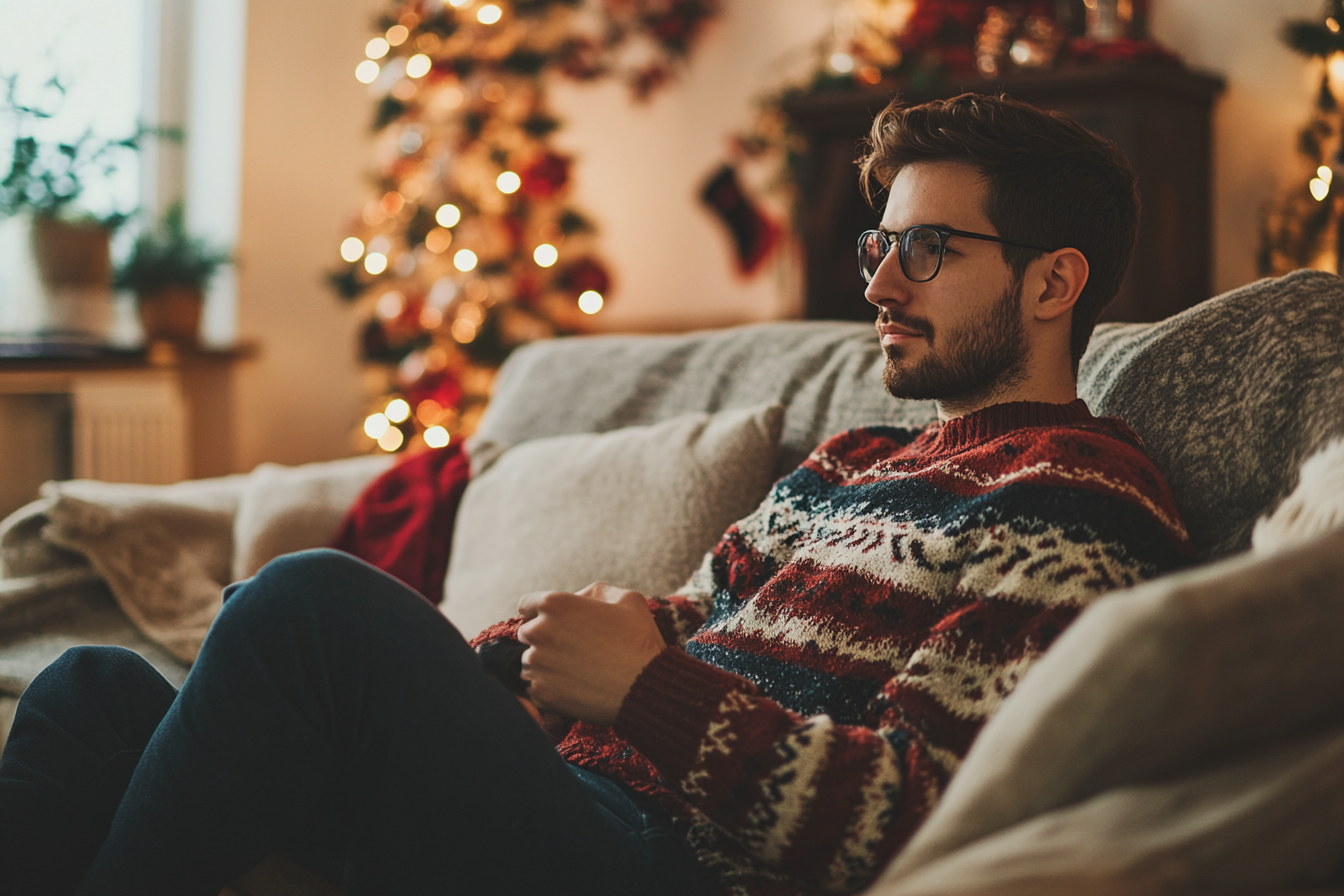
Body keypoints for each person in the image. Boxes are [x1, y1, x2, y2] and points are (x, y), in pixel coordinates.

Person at [0, 92, 1191, 896]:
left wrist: (644, 692)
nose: (880, 282)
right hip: (569, 796)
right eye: (877, 245)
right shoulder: (850, 461)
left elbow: (923, 813)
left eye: (924, 249)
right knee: (90, 686)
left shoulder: (1076, 497)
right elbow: (679, 619)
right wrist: (505, 673)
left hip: (673, 862)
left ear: (1054, 283)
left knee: (306, 604)